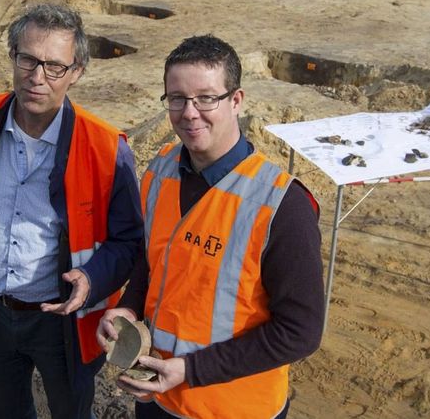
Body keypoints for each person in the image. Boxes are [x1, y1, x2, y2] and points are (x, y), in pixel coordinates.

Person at [97, 35, 324, 419]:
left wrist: (190, 371)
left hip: (234, 408)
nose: (189, 112)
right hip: (157, 396)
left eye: (206, 98)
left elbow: (300, 332)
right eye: (177, 98)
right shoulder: (161, 169)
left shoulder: (283, 207)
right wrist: (127, 308)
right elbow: (151, 261)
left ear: (236, 101)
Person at [0, 3, 143, 419]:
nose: (37, 77)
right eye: (27, 59)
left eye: (54, 66)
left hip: (63, 323)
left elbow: (129, 242)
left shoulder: (106, 149)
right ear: (13, 56)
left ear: (77, 71)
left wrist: (91, 278)